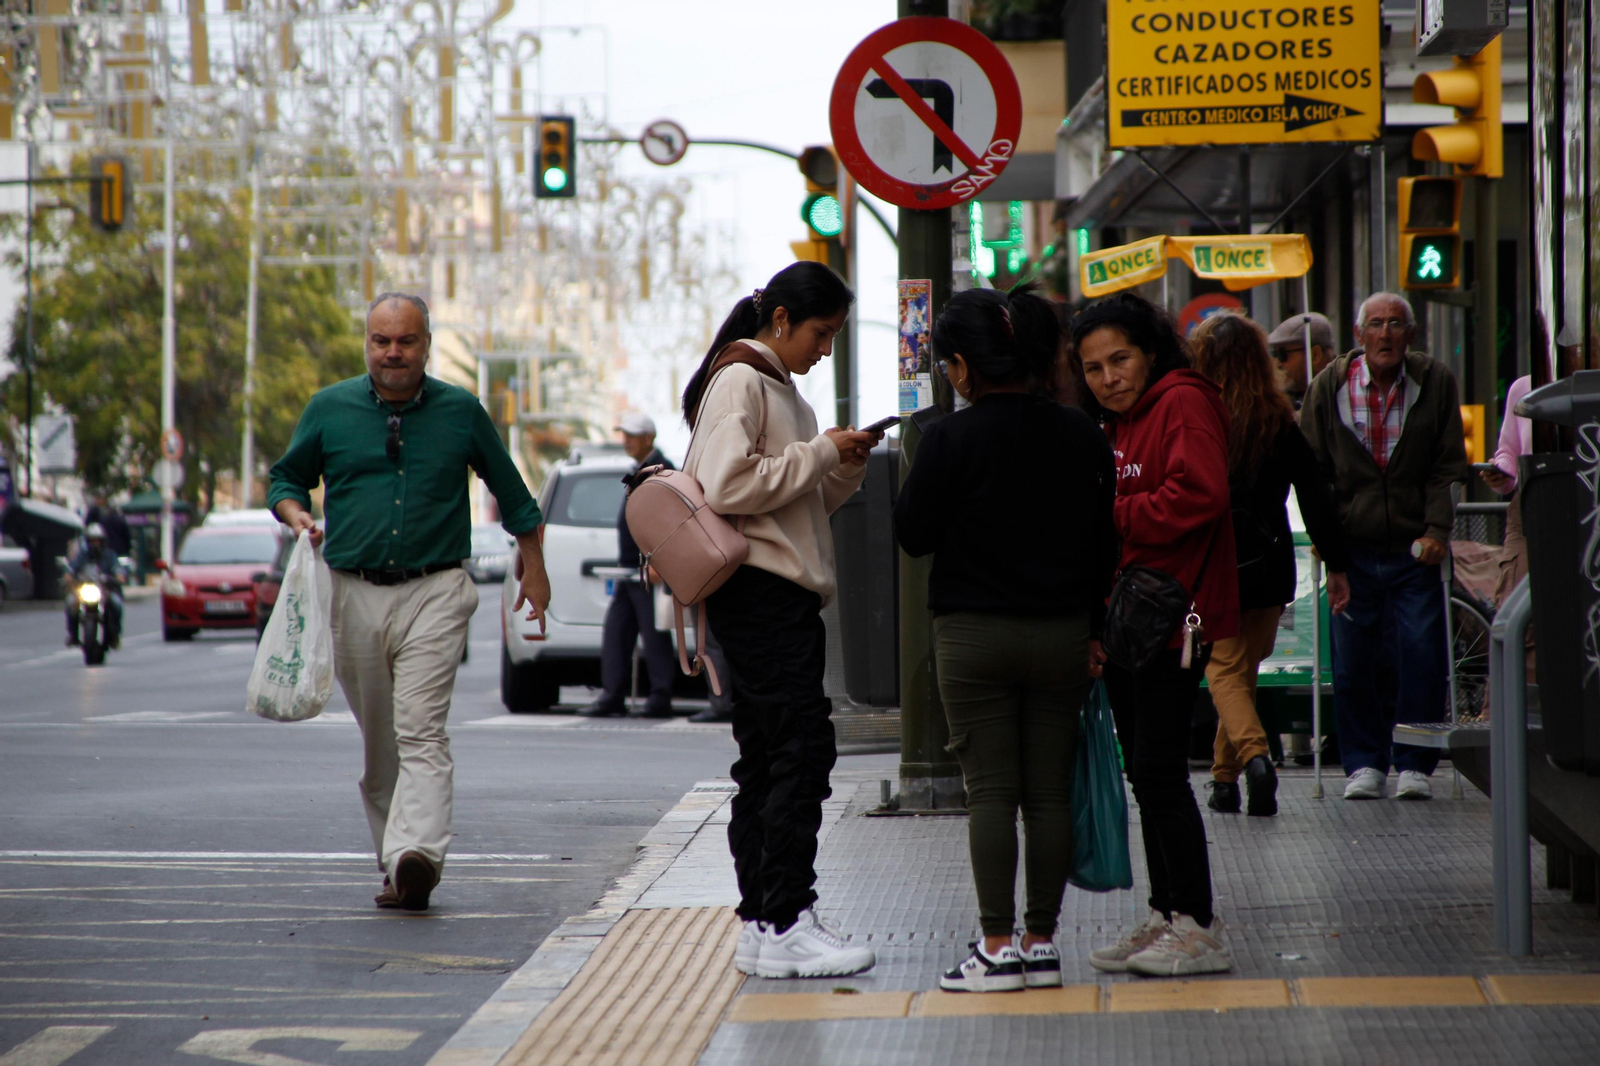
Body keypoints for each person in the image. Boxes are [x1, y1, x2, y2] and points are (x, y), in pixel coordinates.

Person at [268, 292, 550, 911]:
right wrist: (296, 517)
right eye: (381, 341)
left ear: (426, 344)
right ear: (367, 343)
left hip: (437, 590)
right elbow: (286, 478)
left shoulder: (461, 412)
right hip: (352, 592)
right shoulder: (329, 408)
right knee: (382, 748)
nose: (393, 353)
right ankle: (397, 866)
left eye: (407, 341)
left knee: (421, 731)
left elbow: (516, 495)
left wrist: (536, 567)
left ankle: (416, 853)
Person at [894, 289, 1116, 992]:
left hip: (974, 635)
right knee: (1047, 793)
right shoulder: (1083, 434)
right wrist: (1093, 630)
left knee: (990, 793)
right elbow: (1103, 544)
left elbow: (913, 533)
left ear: (961, 367)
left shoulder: (949, 440)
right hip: (1061, 636)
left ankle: (996, 948)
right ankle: (1043, 943)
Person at [682, 262, 880, 979]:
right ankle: (788, 917)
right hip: (762, 596)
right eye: (821, 334)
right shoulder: (742, 381)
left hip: (770, 595)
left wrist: (840, 465)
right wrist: (821, 450)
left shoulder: (773, 389)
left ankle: (766, 922)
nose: (824, 350)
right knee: (798, 753)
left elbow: (791, 506)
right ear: (783, 320)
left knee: (771, 758)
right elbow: (729, 487)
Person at [1072, 291, 1238, 977]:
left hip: (1176, 623)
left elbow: (1202, 493)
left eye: (1120, 359)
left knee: (1161, 773)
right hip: (1132, 625)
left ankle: (1197, 927)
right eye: (1092, 368)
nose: (1108, 378)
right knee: (1145, 774)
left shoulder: (1181, 400)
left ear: (1150, 352)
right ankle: (1167, 912)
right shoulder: (1119, 423)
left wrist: (1114, 514)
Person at [1301, 292, 1469, 802]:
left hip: (1415, 549)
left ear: (1410, 335)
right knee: (1352, 661)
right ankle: (1363, 764)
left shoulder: (1434, 381)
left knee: (1422, 655)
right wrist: (1330, 550)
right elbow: (1313, 474)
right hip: (1352, 550)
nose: (1386, 334)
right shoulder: (1328, 385)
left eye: (1397, 324)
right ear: (1359, 335)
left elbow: (1447, 465)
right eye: (1376, 324)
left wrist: (1437, 531)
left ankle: (1416, 763)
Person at [1189, 313, 1353, 817]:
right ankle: (1223, 781)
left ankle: (1257, 760)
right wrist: (1338, 563)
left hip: (1216, 563)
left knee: (1224, 671)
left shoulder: (1201, 417)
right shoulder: (1277, 418)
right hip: (1270, 564)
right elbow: (1315, 495)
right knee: (1241, 671)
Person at [581, 413, 678, 720]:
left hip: (648, 568)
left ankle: (661, 696)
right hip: (630, 569)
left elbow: (670, 521)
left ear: (649, 437)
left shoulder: (662, 470)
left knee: (654, 633)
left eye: (633, 435)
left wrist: (661, 562)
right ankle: (613, 694)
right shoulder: (641, 469)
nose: (626, 440)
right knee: (617, 629)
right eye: (624, 434)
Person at [1483, 374, 1533, 605]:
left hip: (1589, 500)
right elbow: (1509, 450)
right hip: (1530, 503)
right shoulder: (1524, 387)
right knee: (1515, 610)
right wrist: (1501, 472)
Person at [64, 523, 124, 648]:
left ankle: (115, 636)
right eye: (92, 540)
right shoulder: (83, 556)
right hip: (86, 589)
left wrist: (119, 575)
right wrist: (69, 575)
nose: (95, 543)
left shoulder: (109, 555)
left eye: (97, 540)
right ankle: (73, 635)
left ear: (102, 541)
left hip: (105, 590)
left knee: (117, 604)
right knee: (70, 603)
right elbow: (73, 567)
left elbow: (118, 568)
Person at [1267, 312, 1335, 407]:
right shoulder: (1278, 402)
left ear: (1315, 355)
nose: (1277, 363)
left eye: (1283, 355)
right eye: (1274, 354)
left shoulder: (1342, 395)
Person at [83, 493, 133, 557]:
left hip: (108, 550)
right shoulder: (121, 520)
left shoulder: (103, 520)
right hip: (121, 551)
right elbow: (127, 537)